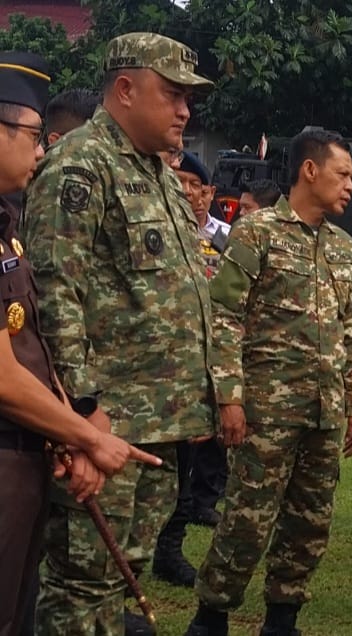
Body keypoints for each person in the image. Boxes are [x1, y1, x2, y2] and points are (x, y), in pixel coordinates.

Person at [21, 32, 217, 635]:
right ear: (126, 90)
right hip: (105, 423)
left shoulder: (157, 174)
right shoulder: (80, 165)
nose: (185, 109)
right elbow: (54, 296)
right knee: (82, 586)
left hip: (159, 424)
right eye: (174, 93)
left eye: (190, 97)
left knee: (122, 574)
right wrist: (84, 411)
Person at [184, 129, 352, 636]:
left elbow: (351, 329)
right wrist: (229, 397)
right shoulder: (257, 232)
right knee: (247, 519)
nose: (350, 185)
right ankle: (212, 614)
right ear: (309, 171)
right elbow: (224, 316)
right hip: (265, 412)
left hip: (323, 413)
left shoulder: (343, 248)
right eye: (343, 174)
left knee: (309, 523)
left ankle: (282, 618)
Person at [0, 50, 162, 636]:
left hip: (28, 449)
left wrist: (61, 429)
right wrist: (86, 433)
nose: (40, 149)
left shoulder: (7, 232)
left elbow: (32, 346)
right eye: (30, 134)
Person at [152, 150, 230, 589]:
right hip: (159, 371)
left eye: (195, 185)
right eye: (178, 181)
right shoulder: (158, 232)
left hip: (202, 368)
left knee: (184, 471)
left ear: (208, 193)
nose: (187, 191)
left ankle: (169, 550)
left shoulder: (223, 239)